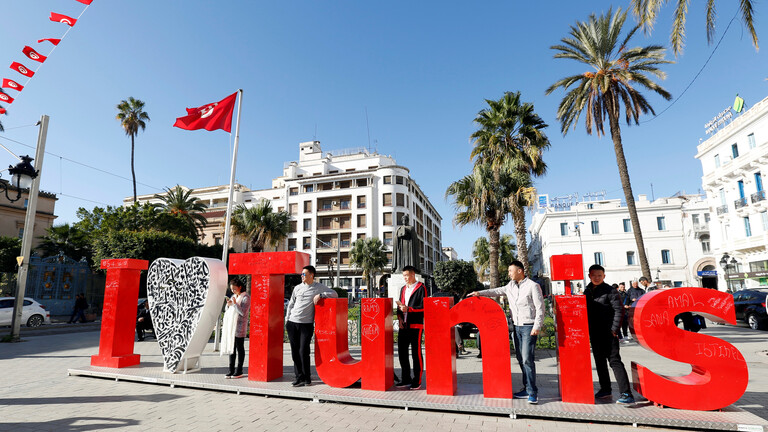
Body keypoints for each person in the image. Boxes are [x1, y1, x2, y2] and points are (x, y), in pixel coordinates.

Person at [469, 260, 545, 404]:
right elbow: (496, 291)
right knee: (520, 359)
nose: (509, 273)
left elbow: (540, 308)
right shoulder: (510, 286)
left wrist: (537, 326)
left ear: (519, 271)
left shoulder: (533, 286)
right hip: (516, 327)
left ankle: (532, 392)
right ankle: (526, 388)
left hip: (528, 327)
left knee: (527, 359)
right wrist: (479, 293)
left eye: (511, 271)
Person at [584, 265, 635, 405]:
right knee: (600, 362)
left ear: (604, 276)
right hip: (594, 332)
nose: (596, 278)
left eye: (599, 275)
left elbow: (619, 310)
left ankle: (627, 394)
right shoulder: (587, 291)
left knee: (614, 361)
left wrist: (614, 330)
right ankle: (605, 389)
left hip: (608, 333)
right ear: (589, 276)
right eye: (594, 275)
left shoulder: (610, 291)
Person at [285, 265, 338, 387]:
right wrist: (287, 320)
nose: (302, 276)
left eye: (304, 274)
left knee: (303, 351)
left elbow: (334, 294)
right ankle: (299, 377)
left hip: (306, 325)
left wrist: (321, 295)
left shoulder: (318, 287)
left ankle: (307, 378)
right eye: (301, 274)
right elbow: (291, 304)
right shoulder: (297, 288)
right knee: (295, 352)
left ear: (311, 275)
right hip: (292, 323)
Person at [395, 265, 427, 390]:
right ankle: (405, 379)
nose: (405, 278)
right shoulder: (403, 288)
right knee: (402, 353)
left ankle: (417, 380)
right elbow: (399, 306)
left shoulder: (421, 288)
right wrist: (399, 318)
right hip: (404, 325)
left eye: (407, 275)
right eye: (404, 276)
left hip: (416, 325)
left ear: (413, 275)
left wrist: (409, 309)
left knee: (416, 353)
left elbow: (424, 307)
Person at [224, 278, 250, 379]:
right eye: (231, 289)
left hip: (240, 326)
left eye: (234, 289)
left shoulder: (246, 297)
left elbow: (243, 312)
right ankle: (231, 369)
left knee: (239, 348)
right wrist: (228, 305)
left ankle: (239, 370)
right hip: (231, 326)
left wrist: (235, 304)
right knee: (232, 348)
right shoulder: (234, 296)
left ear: (240, 287)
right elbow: (228, 310)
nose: (233, 291)